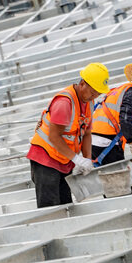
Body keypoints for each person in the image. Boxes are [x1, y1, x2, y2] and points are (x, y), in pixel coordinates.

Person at [27, 62, 109, 208]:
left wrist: (87, 159)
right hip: (46, 159)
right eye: (92, 92)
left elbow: (86, 133)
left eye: (98, 94)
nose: (94, 96)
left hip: (63, 160)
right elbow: (54, 136)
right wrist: (76, 159)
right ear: (82, 84)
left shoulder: (88, 103)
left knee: (66, 206)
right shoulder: (64, 103)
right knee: (50, 208)